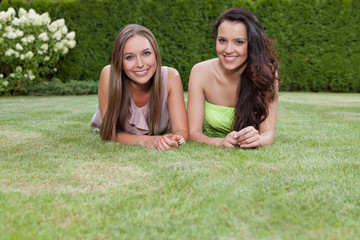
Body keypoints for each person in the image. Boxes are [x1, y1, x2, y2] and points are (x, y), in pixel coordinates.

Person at [187, 7, 280, 148]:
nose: (228, 50)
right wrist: (219, 142)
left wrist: (258, 140)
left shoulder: (267, 74)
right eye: (222, 40)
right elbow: (193, 132)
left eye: (239, 42)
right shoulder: (200, 72)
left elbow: (268, 134)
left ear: (252, 44)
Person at [90, 24, 188, 151]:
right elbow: (109, 133)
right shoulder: (109, 75)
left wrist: (175, 140)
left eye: (146, 53)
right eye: (129, 57)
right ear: (120, 62)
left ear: (156, 55)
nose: (140, 64)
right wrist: (145, 140)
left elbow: (182, 130)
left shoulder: (171, 77)